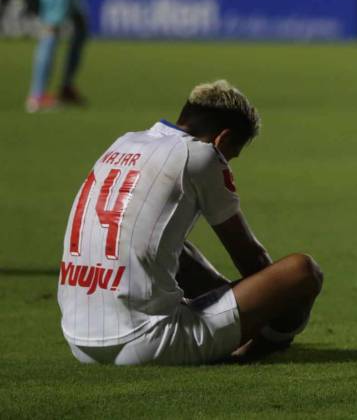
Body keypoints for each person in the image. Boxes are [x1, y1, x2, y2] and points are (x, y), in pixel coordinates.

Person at [58, 80, 323, 365]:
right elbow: (250, 257)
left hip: (78, 338)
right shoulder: (201, 154)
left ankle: (222, 320)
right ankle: (256, 348)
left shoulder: (124, 142)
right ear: (223, 138)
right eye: (231, 154)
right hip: (148, 340)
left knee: (176, 248)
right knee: (302, 271)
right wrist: (268, 309)